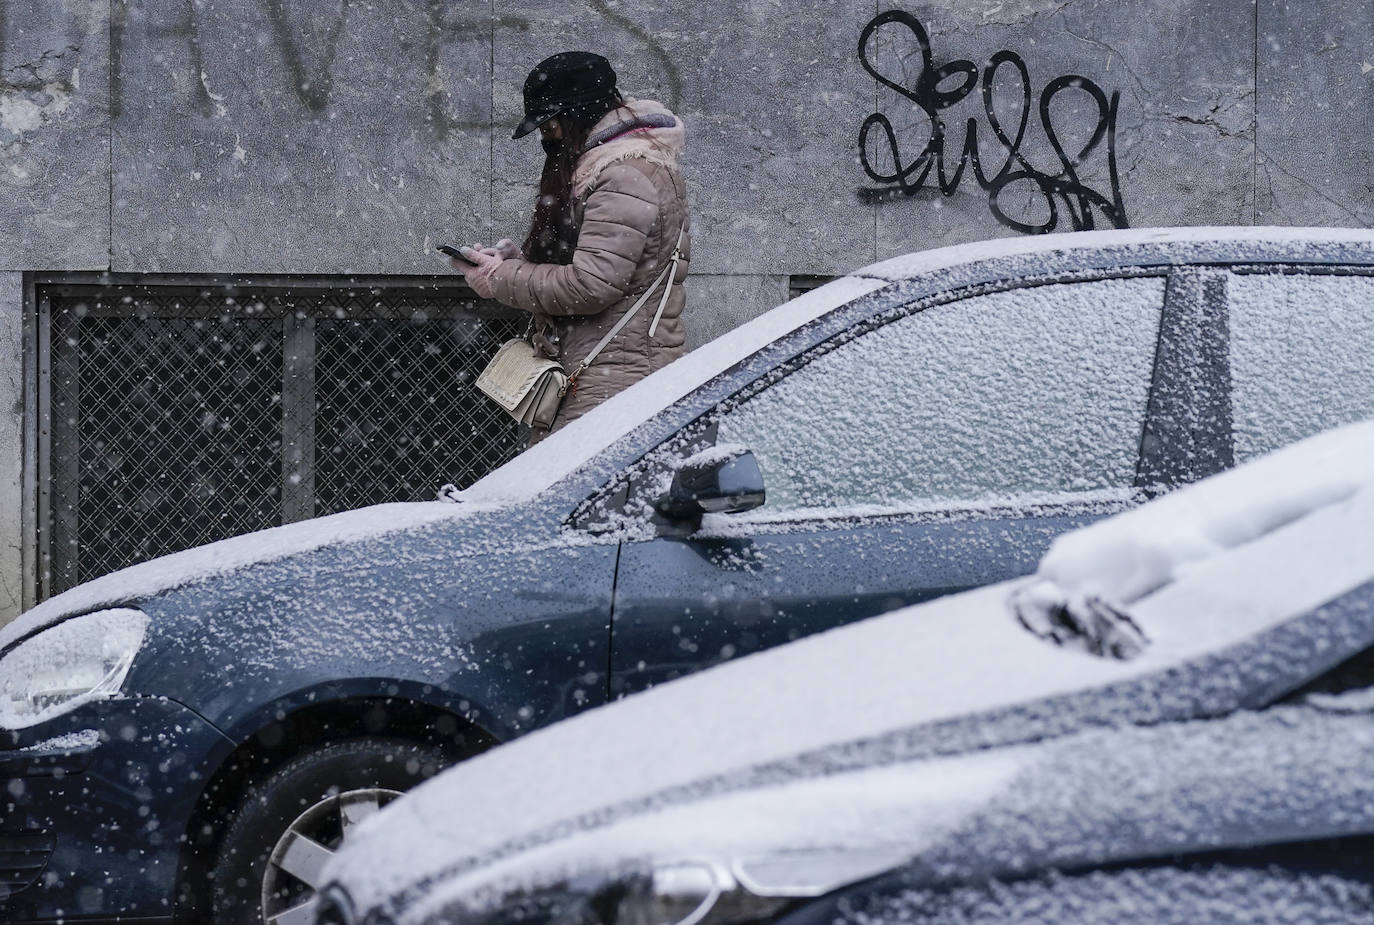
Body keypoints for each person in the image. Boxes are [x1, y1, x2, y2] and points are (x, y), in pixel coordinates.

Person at [454, 51, 690, 434]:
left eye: (551, 126)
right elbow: (599, 263)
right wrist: (520, 262)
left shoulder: (625, 175)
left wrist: (500, 277)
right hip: (600, 371)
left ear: (579, 113)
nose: (548, 139)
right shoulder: (610, 166)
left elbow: (591, 284)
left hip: (618, 380)